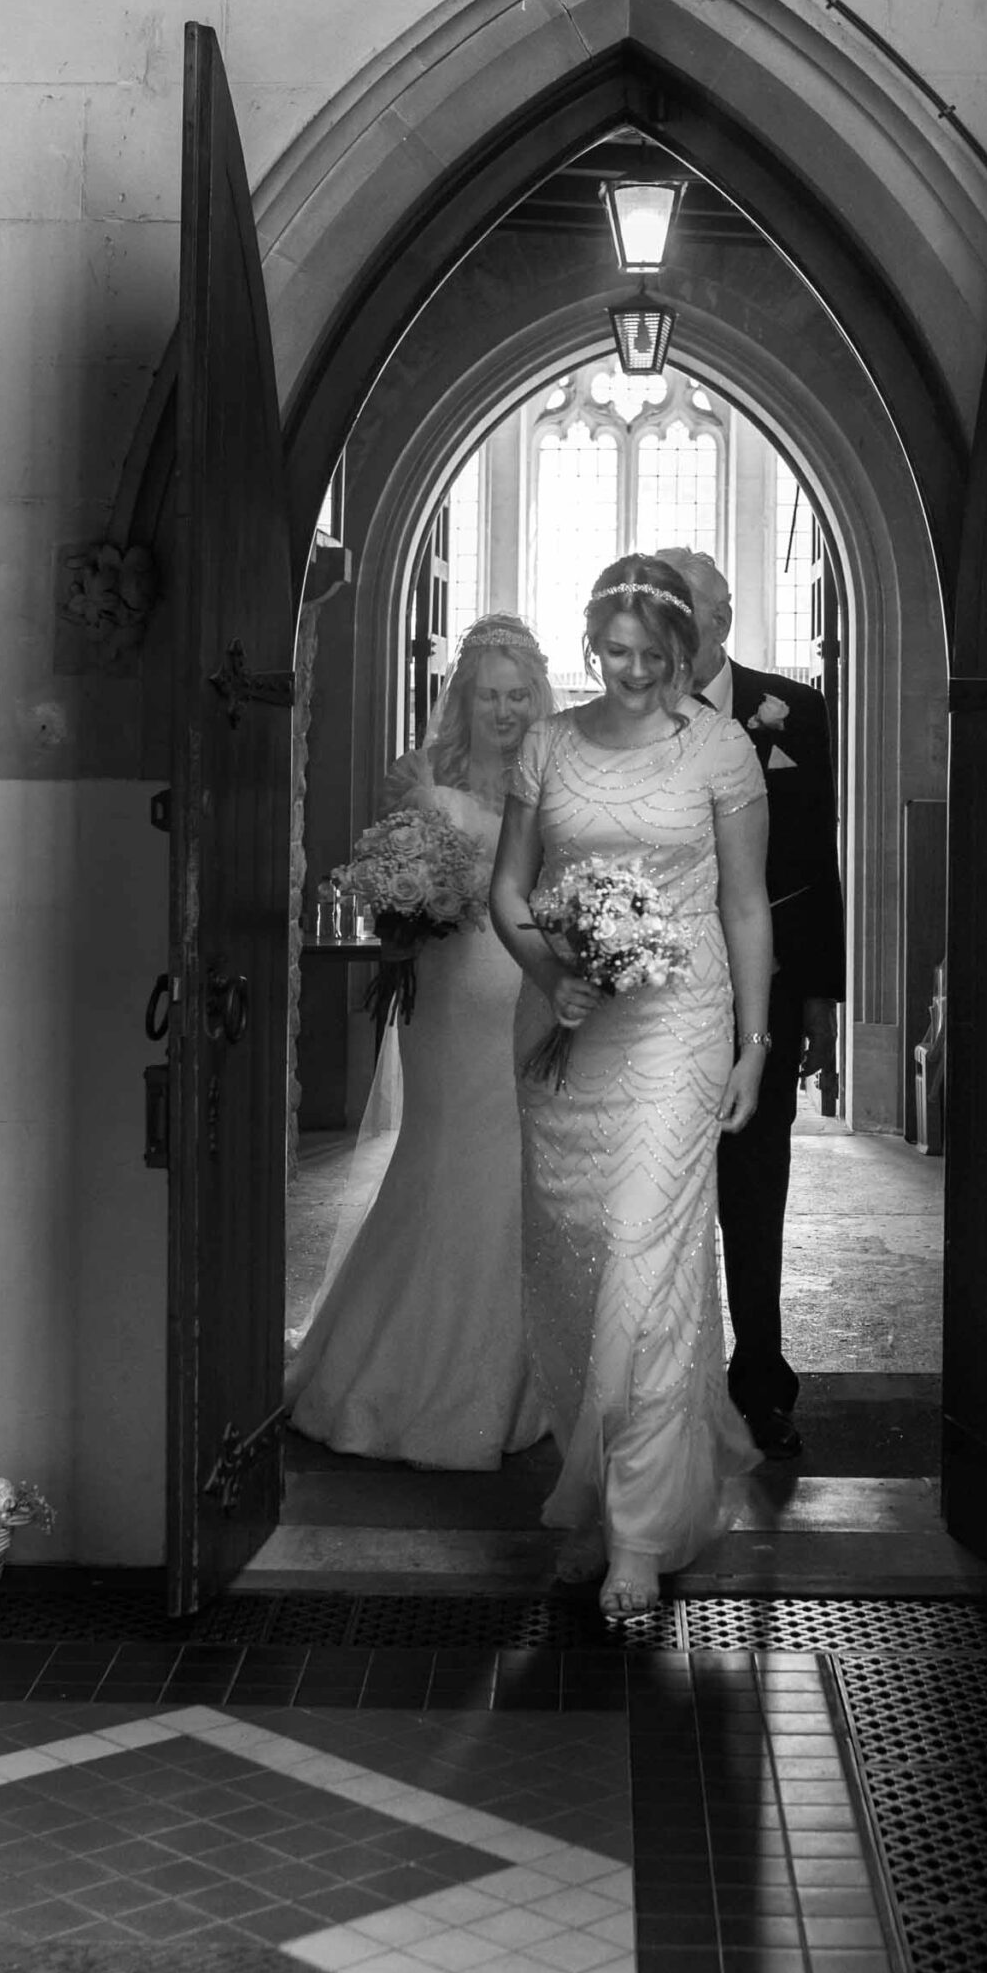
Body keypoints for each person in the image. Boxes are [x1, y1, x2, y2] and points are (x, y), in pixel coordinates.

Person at [489, 553, 772, 1624]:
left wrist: (751, 1045)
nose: (635, 675)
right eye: (616, 655)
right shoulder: (549, 744)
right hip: (567, 1025)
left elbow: (746, 906)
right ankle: (600, 1484)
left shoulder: (720, 749)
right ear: (590, 648)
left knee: (648, 1264)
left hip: (680, 1023)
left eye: (656, 659)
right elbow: (508, 891)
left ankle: (639, 1539)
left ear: (686, 656)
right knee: (578, 1267)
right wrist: (550, 970)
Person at [285, 616, 553, 1469]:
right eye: (489, 695)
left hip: (525, 996)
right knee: (441, 1163)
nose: (505, 711)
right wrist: (411, 908)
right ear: (463, 699)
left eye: (518, 695)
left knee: (516, 1172)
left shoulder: (549, 779)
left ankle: (508, 1378)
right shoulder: (422, 783)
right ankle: (397, 1372)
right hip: (449, 1005)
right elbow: (392, 893)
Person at [653, 546, 845, 1461]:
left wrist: (818, 1001)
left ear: (721, 620)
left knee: (755, 1192)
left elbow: (815, 866)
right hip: (654, 995)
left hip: (758, 995)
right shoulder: (631, 715)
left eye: (684, 609)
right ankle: (656, 1387)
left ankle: (761, 1382)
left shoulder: (792, 709)